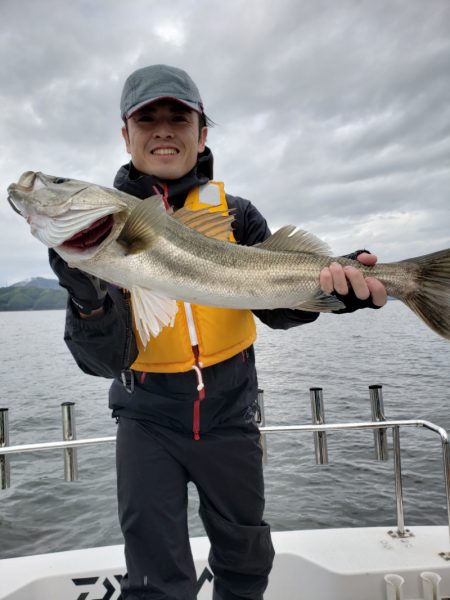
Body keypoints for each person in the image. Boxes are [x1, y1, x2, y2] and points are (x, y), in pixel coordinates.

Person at [49, 64, 387, 600]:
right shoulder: (105, 229)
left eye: (178, 117)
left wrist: (333, 295)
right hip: (146, 419)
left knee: (246, 559)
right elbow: (101, 361)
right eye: (147, 118)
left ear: (202, 132)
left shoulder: (236, 214)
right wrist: (86, 296)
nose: (163, 129)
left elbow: (276, 308)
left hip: (231, 413)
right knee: (155, 579)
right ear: (126, 134)